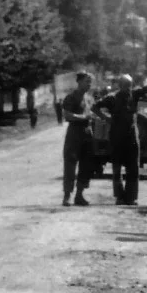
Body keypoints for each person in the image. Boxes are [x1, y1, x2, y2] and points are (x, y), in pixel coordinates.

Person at [95, 74, 145, 206]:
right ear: (120, 85)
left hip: (132, 137)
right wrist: (106, 118)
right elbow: (95, 107)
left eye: (129, 85)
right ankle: (119, 196)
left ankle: (131, 197)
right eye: (125, 85)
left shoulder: (134, 95)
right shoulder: (111, 98)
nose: (127, 88)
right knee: (117, 169)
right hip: (117, 138)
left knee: (133, 168)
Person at [61, 72, 95, 206]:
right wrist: (83, 117)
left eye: (90, 82)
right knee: (70, 165)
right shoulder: (71, 97)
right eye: (87, 81)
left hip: (87, 134)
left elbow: (92, 112)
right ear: (79, 82)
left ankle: (79, 195)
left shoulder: (89, 98)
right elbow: (67, 115)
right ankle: (67, 196)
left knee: (86, 165)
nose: (89, 84)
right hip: (74, 133)